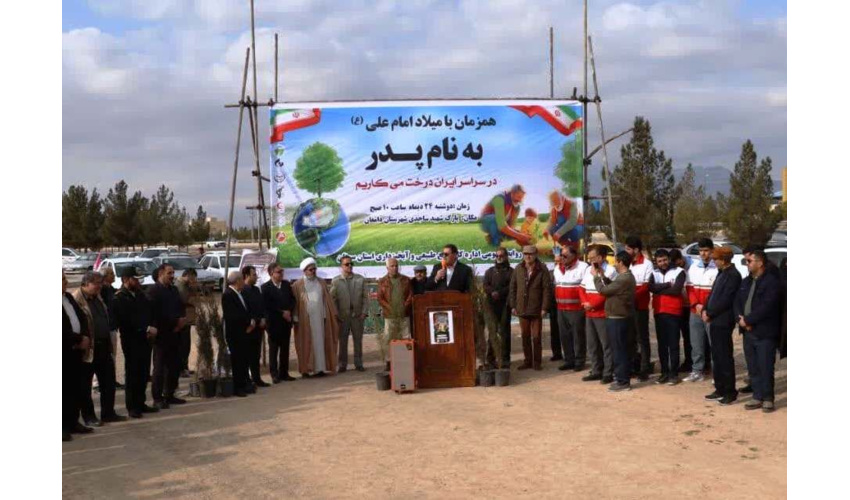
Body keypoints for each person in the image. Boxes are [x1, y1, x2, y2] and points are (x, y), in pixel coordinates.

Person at [72, 271, 126, 426]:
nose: (99, 286)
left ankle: (108, 413)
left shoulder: (98, 297)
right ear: (85, 283)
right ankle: (89, 417)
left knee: (108, 382)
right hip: (88, 349)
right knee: (85, 385)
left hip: (103, 346)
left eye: (100, 283)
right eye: (96, 283)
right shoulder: (77, 300)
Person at [734, 250, 782, 413]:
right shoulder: (745, 282)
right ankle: (757, 395)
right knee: (753, 366)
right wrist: (740, 319)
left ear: (760, 263)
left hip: (764, 331)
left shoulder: (772, 282)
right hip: (748, 332)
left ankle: (768, 398)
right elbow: (737, 302)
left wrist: (748, 320)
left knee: (765, 366)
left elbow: (767, 307)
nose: (746, 264)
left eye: (749, 261)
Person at [113, 267, 159, 418]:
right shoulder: (120, 297)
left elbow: (149, 312)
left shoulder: (140, 295)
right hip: (132, 340)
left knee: (143, 372)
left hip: (145, 339)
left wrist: (151, 326)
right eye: (135, 279)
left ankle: (141, 402)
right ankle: (132, 406)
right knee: (133, 373)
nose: (138, 281)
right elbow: (125, 321)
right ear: (126, 279)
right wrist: (145, 328)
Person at [701, 247, 743, 405]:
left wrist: (710, 312)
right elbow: (712, 294)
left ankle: (730, 391)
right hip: (714, 319)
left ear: (724, 259)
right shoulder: (721, 273)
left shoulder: (733, 275)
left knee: (724, 356)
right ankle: (719, 388)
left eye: (716, 259)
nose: (713, 261)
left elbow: (726, 299)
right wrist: (705, 308)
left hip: (723, 320)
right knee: (716, 356)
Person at [593, 251, 636, 392]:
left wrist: (595, 278)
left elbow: (604, 291)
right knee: (620, 350)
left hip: (618, 318)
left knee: (619, 351)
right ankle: (621, 379)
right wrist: (602, 276)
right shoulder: (624, 278)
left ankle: (623, 381)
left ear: (621, 262)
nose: (614, 264)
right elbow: (612, 287)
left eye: (616, 261)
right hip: (618, 317)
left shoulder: (624, 279)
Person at [147, 263, 187, 409]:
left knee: (174, 365)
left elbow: (180, 307)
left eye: (173, 273)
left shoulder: (174, 290)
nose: (172, 276)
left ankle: (169, 394)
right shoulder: (153, 291)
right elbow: (155, 314)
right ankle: (157, 398)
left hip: (176, 333)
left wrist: (181, 320)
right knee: (159, 367)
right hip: (162, 335)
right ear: (161, 274)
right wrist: (174, 321)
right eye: (169, 273)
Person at [292, 258, 340, 377]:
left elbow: (327, 300)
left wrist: (328, 315)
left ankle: (319, 369)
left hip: (320, 319)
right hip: (304, 320)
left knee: (320, 343)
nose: (313, 271)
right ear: (304, 271)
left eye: (314, 269)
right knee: (305, 344)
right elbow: (295, 303)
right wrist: (295, 317)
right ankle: (306, 370)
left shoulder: (321, 282)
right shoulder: (297, 285)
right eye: (310, 269)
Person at [508, 245, 552, 370]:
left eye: (530, 254)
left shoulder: (542, 269)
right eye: (525, 253)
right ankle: (527, 361)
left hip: (536, 309)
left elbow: (546, 290)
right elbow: (513, 288)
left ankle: (537, 362)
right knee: (525, 337)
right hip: (522, 308)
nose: (528, 256)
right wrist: (513, 306)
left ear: (536, 255)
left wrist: (544, 307)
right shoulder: (518, 268)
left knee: (536, 337)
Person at [579, 245, 617, 383]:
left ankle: (608, 372)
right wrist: (585, 303)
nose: (590, 261)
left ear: (601, 257)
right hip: (589, 312)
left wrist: (593, 305)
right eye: (589, 258)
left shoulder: (611, 271)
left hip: (602, 313)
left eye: (592, 258)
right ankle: (596, 370)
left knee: (606, 344)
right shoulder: (589, 270)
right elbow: (581, 289)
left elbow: (606, 293)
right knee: (592, 344)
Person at [649, 249, 687, 385]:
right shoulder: (654, 272)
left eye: (665, 260)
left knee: (673, 344)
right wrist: (666, 285)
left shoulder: (679, 272)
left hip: (674, 312)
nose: (663, 263)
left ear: (669, 259)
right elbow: (651, 288)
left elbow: (676, 290)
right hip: (659, 311)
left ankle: (673, 374)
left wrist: (660, 289)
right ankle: (664, 372)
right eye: (660, 261)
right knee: (662, 345)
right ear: (656, 262)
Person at [63, 272, 92, 441]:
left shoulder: (68, 297)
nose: (66, 282)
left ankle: (73, 421)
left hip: (76, 350)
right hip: (64, 350)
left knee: (75, 388)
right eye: (63, 280)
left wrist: (85, 337)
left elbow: (82, 318)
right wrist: (78, 339)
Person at [685, 238, 718, 382]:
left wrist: (706, 309)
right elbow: (689, 288)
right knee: (696, 343)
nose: (703, 254)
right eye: (701, 251)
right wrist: (695, 305)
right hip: (695, 312)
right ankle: (697, 370)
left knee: (714, 343)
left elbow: (716, 292)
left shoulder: (717, 267)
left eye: (706, 250)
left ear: (712, 250)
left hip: (710, 313)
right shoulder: (693, 267)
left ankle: (717, 373)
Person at [552, 245, 589, 371]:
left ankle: (579, 361)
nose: (562, 258)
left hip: (577, 309)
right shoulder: (558, 268)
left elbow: (586, 288)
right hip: (561, 308)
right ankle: (569, 360)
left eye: (565, 256)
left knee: (578, 336)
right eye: (561, 255)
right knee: (564, 336)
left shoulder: (583, 267)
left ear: (574, 255)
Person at [331, 256, 369, 373]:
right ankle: (342, 364)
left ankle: (358, 363)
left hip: (357, 316)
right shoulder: (336, 281)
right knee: (342, 341)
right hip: (343, 317)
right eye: (347, 264)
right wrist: (336, 315)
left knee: (358, 340)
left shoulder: (360, 279)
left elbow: (366, 298)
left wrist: (364, 313)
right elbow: (333, 300)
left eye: (351, 264)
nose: (350, 266)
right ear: (341, 266)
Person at [377, 258, 414, 370]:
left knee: (406, 337)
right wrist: (390, 308)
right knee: (389, 339)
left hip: (404, 314)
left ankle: (406, 360)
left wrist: (404, 306)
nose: (395, 268)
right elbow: (380, 298)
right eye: (392, 266)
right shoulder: (382, 281)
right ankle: (389, 362)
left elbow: (410, 295)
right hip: (390, 315)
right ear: (387, 268)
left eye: (396, 265)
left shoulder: (406, 280)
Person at [262, 263, 296, 383]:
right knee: (273, 350)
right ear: (271, 273)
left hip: (286, 323)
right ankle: (274, 374)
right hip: (273, 324)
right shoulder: (265, 288)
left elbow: (292, 300)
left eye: (282, 271)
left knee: (285, 349)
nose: (281, 273)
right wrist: (281, 312)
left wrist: (289, 311)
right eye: (278, 272)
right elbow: (267, 306)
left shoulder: (286, 285)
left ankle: (284, 373)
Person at [624, 236, 653, 380]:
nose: (626, 251)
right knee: (630, 338)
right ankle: (633, 366)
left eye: (628, 248)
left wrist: (630, 295)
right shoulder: (626, 263)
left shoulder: (647, 264)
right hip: (626, 307)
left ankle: (645, 368)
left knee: (642, 338)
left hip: (640, 307)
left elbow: (646, 286)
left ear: (636, 250)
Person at [221, 270, 253, 397]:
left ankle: (245, 384)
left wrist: (251, 321)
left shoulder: (240, 293)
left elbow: (246, 310)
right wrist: (247, 322)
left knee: (244, 360)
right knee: (237, 361)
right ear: (238, 281)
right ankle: (238, 387)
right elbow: (232, 316)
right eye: (242, 280)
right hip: (236, 334)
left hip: (244, 332)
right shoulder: (228, 295)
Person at [483, 248, 513, 368]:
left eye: (501, 255)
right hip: (492, 306)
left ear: (506, 256)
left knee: (505, 332)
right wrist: (492, 292)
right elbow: (485, 285)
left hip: (505, 305)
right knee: (492, 333)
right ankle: (491, 358)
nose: (499, 257)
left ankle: (505, 358)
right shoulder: (490, 271)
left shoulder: (511, 271)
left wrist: (499, 293)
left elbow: (511, 286)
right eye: (497, 255)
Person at [241, 266, 270, 388]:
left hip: (259, 327)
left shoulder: (257, 290)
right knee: (247, 354)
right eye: (253, 274)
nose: (256, 276)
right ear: (246, 276)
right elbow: (245, 310)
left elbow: (262, 306)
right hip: (249, 328)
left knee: (256, 355)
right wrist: (254, 320)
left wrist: (263, 318)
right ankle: (247, 380)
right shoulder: (242, 291)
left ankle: (257, 378)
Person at [670, 249, 695, 374]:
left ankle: (701, 363)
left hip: (692, 306)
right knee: (685, 336)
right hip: (681, 306)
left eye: (677, 263)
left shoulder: (693, 267)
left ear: (681, 259)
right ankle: (688, 362)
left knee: (693, 337)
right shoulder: (675, 269)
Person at [99, 267, 123, 390]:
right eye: (111, 274)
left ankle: (112, 380)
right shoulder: (102, 290)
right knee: (105, 355)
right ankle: (98, 384)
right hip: (106, 327)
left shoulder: (110, 289)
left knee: (112, 355)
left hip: (113, 326)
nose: (114, 276)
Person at [175, 268, 199, 378]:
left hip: (188, 320)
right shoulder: (181, 285)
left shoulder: (185, 285)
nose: (194, 280)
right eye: (193, 277)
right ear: (189, 276)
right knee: (183, 345)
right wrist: (193, 289)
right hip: (183, 320)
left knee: (186, 345)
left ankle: (184, 367)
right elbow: (187, 299)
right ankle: (181, 368)